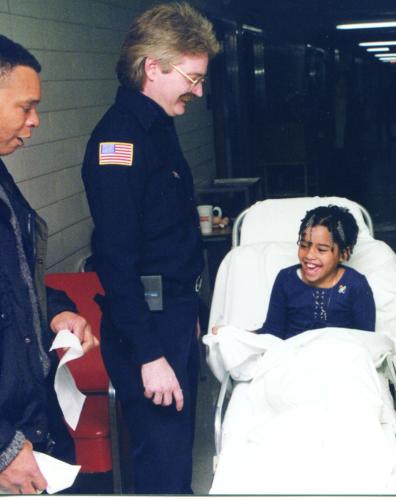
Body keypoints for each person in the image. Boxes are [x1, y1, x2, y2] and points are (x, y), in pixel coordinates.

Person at [80, 2, 219, 493]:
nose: (199, 91)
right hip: (148, 328)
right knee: (160, 468)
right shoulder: (119, 142)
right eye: (193, 76)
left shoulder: (160, 129)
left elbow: (168, 238)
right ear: (154, 67)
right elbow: (116, 259)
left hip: (172, 314)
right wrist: (149, 354)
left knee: (175, 457)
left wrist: (190, 310)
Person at [0, 35, 98, 494]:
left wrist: (54, 310)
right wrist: (4, 445)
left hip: (33, 417)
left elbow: (16, 278)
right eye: (26, 106)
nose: (36, 120)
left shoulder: (2, 175)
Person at [257, 205, 376, 340]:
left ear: (344, 253)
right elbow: (272, 333)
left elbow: (367, 341)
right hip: (291, 357)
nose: (309, 255)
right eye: (304, 246)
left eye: (322, 249)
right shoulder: (286, 279)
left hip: (341, 358)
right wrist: (239, 335)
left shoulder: (356, 285)